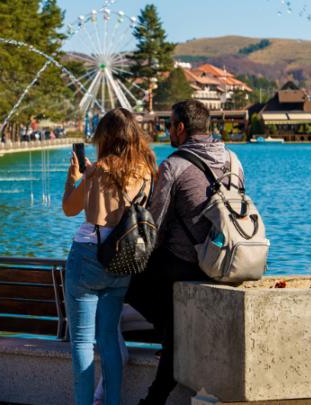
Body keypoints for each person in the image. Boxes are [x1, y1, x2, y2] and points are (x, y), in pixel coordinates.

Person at [126, 100, 245, 405]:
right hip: (227, 258)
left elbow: (156, 224)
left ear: (180, 128)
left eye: (170, 126)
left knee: (127, 280)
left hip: (186, 262)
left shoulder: (174, 165)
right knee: (174, 321)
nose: (168, 131)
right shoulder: (233, 159)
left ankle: (160, 373)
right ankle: (170, 337)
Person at [62, 107, 156, 405]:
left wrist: (75, 177)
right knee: (108, 340)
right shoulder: (145, 171)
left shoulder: (98, 170)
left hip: (88, 257)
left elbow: (69, 208)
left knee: (82, 341)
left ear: (106, 137)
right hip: (123, 260)